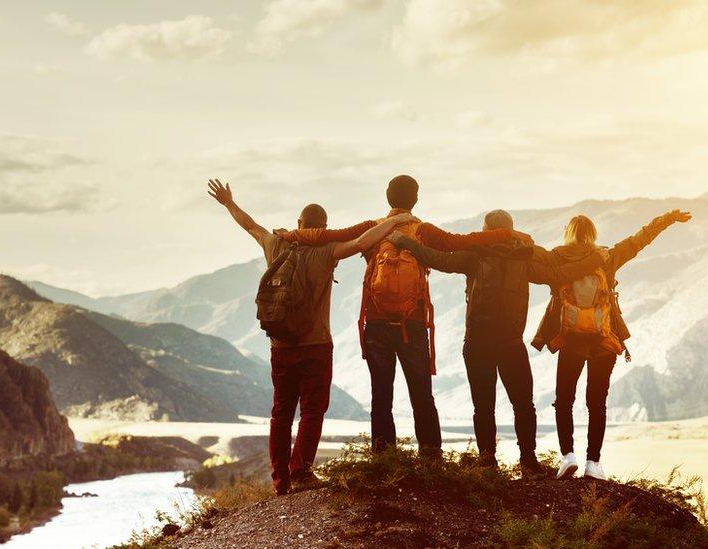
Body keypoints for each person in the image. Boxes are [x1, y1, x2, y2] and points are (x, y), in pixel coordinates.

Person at [275, 175, 516, 456]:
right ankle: (430, 456)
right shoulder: (422, 230)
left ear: (388, 197)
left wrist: (292, 235)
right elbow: (463, 241)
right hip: (412, 323)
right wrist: (508, 234)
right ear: (415, 199)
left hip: (376, 323)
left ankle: (384, 458)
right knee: (422, 394)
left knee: (381, 397)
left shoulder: (372, 229)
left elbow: (328, 236)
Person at [207, 178, 416, 495]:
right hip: (315, 345)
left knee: (281, 412)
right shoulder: (327, 251)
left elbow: (250, 226)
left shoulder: (276, 245)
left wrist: (229, 203)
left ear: (299, 224)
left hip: (280, 346)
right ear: (324, 227)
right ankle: (301, 471)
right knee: (312, 411)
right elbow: (361, 243)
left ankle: (281, 480)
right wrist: (395, 221)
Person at [390, 209, 608, 475]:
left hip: (477, 342)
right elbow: (560, 274)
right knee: (523, 405)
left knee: (483, 406)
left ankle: (487, 461)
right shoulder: (522, 259)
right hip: (511, 344)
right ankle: (528, 461)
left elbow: (437, 259)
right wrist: (595, 259)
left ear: (486, 230)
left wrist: (405, 242)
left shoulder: (474, 255)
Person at [531, 209, 692, 480]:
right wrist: (665, 219)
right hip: (604, 341)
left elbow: (529, 254)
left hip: (570, 340)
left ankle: (568, 455)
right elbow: (640, 240)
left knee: (564, 400)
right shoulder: (607, 256)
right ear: (593, 235)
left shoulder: (556, 257)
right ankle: (593, 463)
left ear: (568, 234)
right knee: (597, 402)